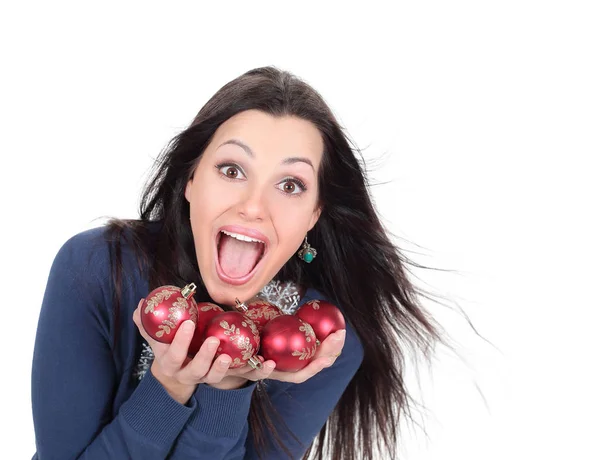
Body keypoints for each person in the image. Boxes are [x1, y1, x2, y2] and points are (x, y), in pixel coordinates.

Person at [31, 66, 453, 459]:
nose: (253, 206)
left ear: (314, 214)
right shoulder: (95, 269)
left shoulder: (317, 344)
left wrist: (230, 385)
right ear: (191, 180)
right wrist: (169, 385)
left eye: (290, 185)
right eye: (232, 170)